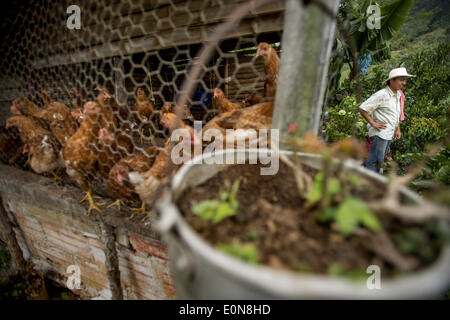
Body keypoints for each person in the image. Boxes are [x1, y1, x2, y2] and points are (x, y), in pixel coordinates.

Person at [359, 67, 415, 173]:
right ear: (392, 80)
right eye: (401, 80)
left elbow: (396, 113)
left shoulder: (398, 94)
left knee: (379, 162)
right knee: (374, 162)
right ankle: (367, 185)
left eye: (405, 80)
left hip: (389, 134)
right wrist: (372, 123)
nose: (404, 83)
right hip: (380, 134)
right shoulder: (382, 95)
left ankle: (372, 183)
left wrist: (397, 129)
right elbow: (363, 108)